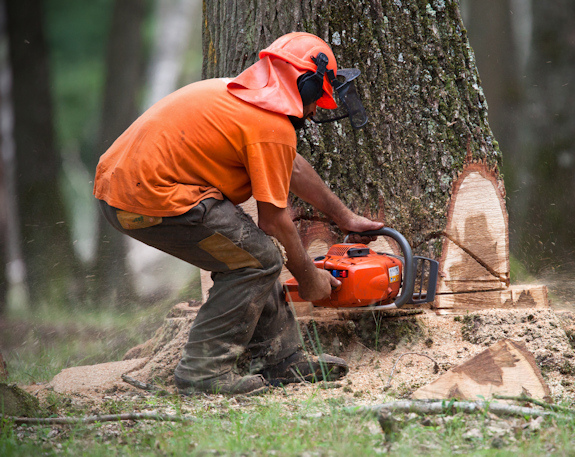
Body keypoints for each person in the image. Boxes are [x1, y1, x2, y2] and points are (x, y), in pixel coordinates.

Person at [93, 32, 383, 395]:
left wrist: (344, 217)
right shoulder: (270, 125)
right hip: (150, 198)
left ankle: (281, 358)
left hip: (122, 190)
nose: (315, 110)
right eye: (316, 99)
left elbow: (290, 166)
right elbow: (274, 221)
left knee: (252, 255)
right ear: (305, 86)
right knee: (257, 259)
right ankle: (202, 372)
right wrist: (310, 279)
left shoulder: (242, 100)